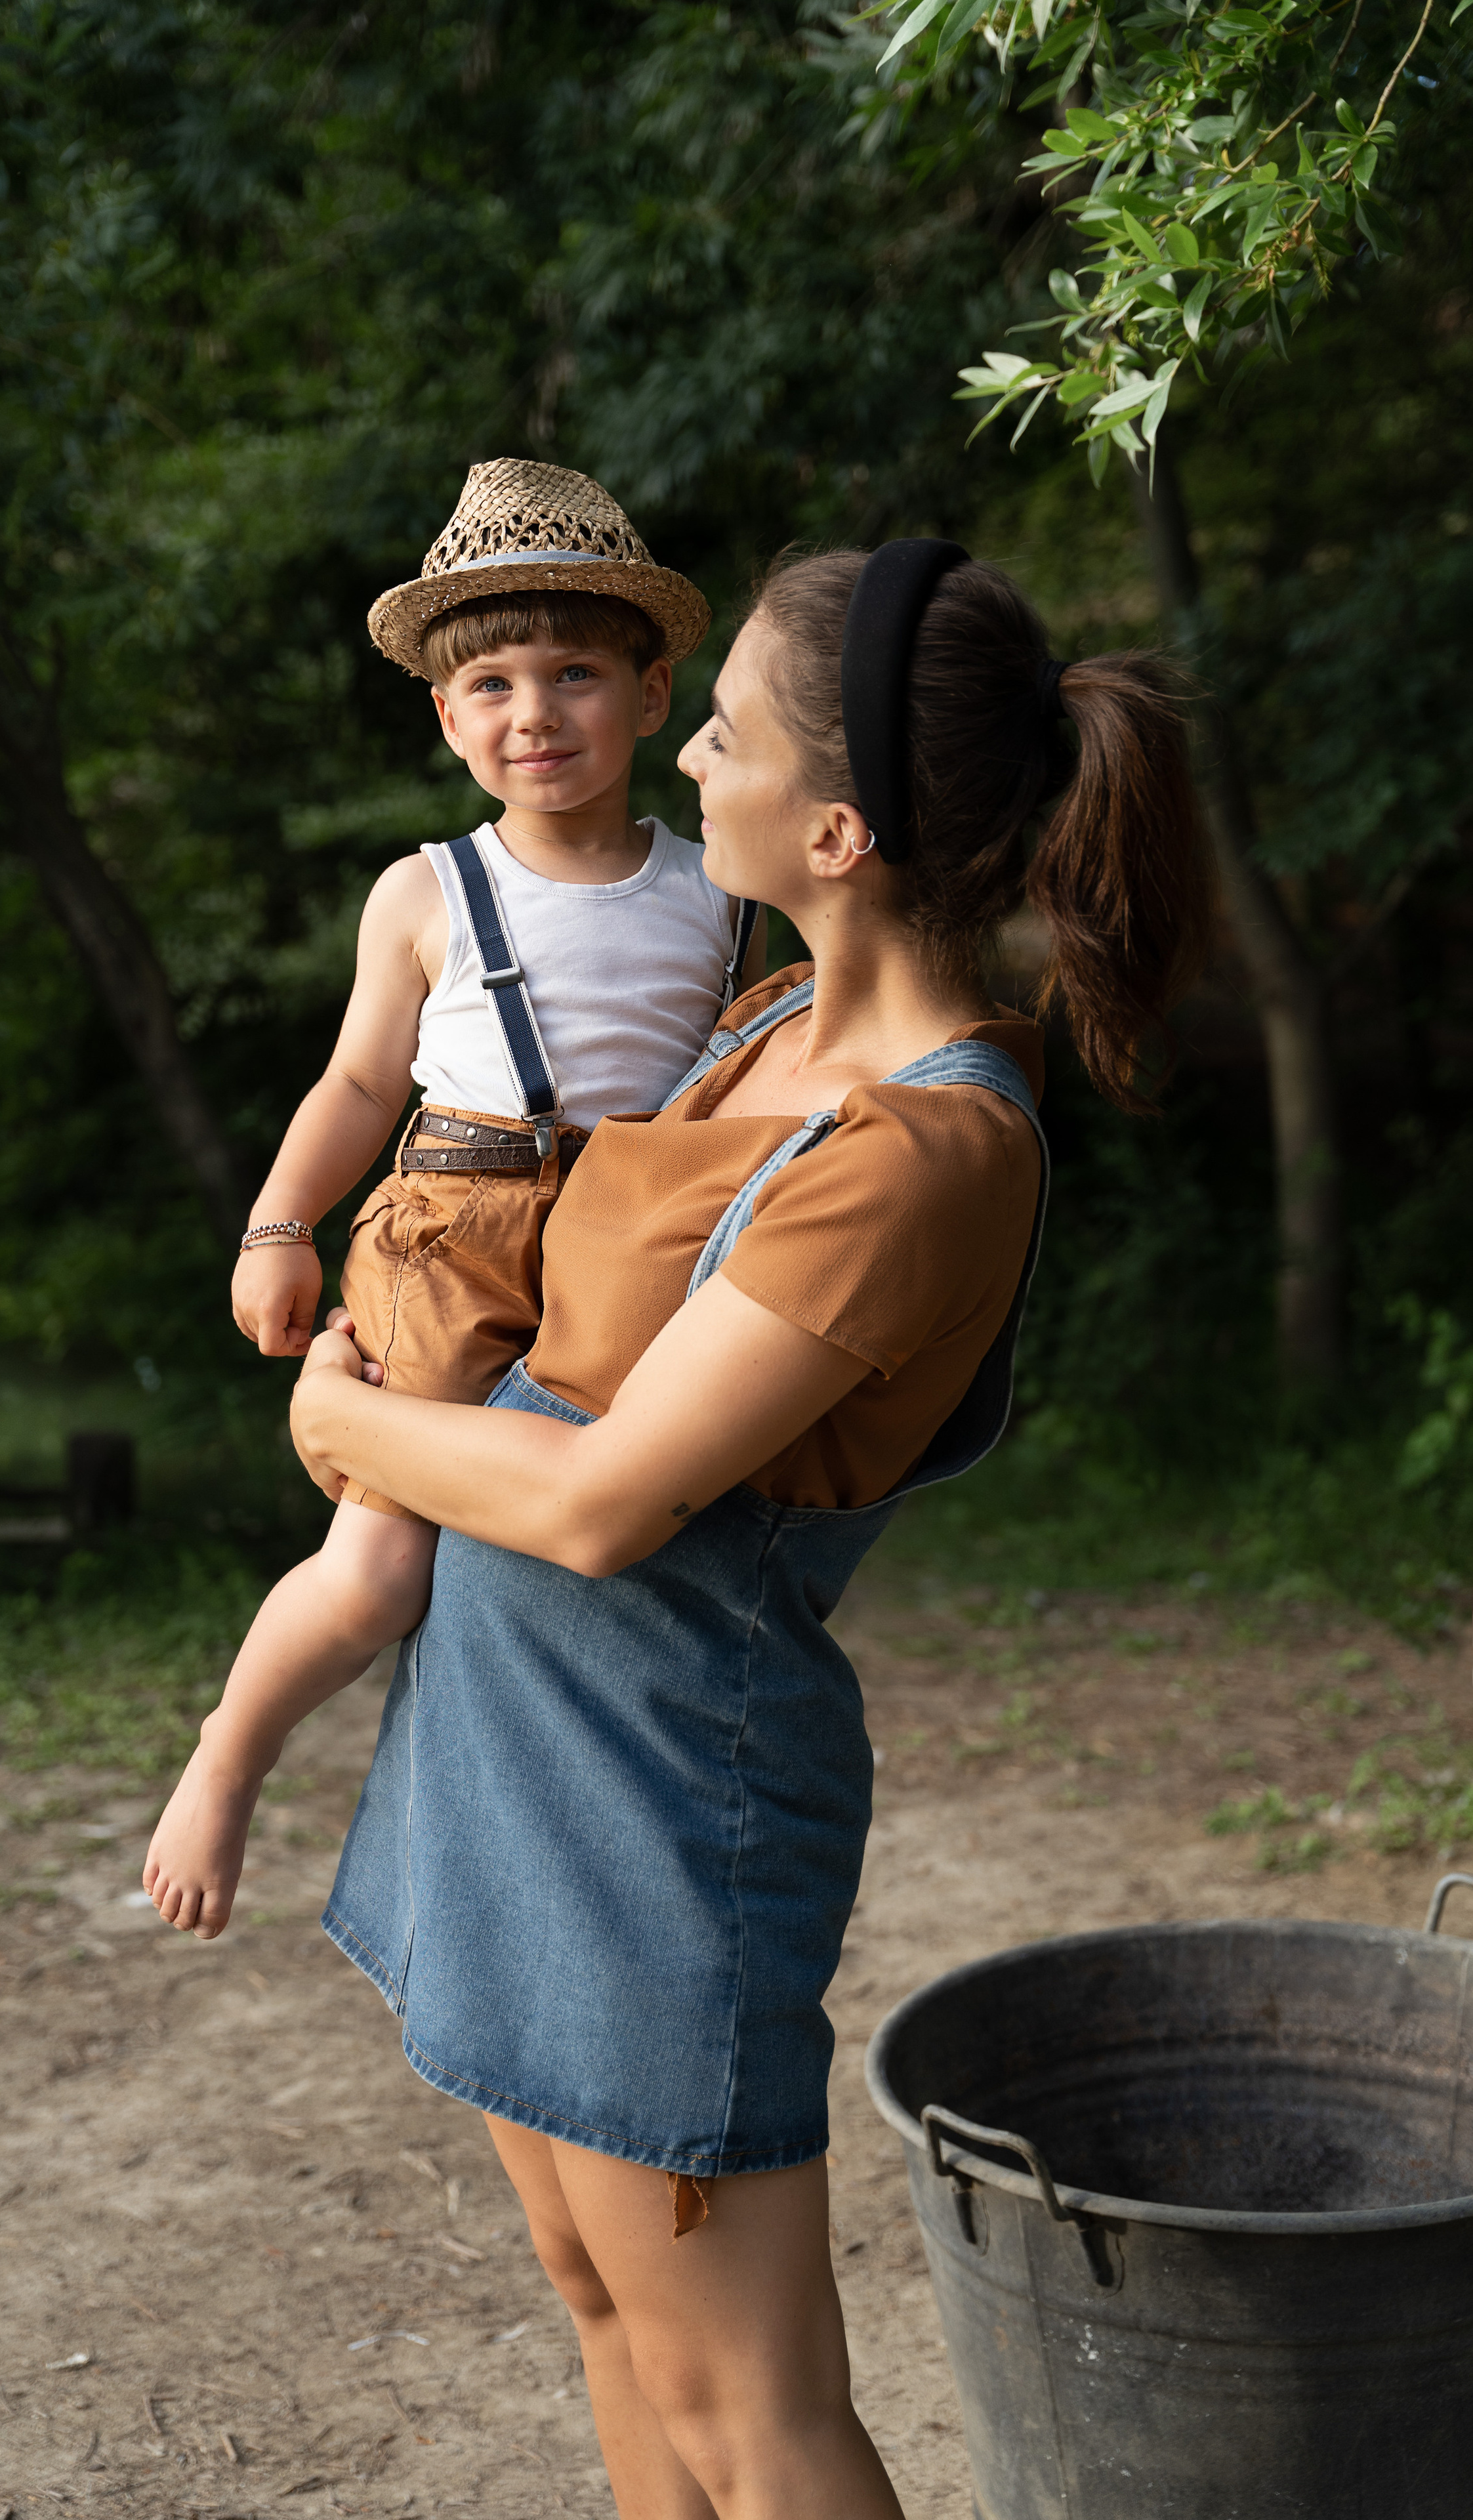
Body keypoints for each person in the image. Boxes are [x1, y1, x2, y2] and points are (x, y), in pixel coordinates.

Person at [154, 537, 1211, 2517]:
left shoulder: (925, 1144)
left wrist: (336, 1415)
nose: (682, 765)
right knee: (601, 2304)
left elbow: (596, 1500)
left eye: (716, 730)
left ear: (832, 822)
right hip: (503, 1739)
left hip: (658, 1803)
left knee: (757, 2415)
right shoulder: (763, 1025)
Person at [143, 460, 760, 1937]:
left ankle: (572, 1819)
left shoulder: (717, 888)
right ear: (444, 716)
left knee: (612, 1536)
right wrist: (280, 1224)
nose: (531, 713)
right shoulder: (425, 892)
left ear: (653, 693)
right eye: (488, 682)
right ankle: (229, 1756)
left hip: (631, 1241)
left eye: (573, 674)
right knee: (377, 1573)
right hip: (452, 1229)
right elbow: (358, 1087)